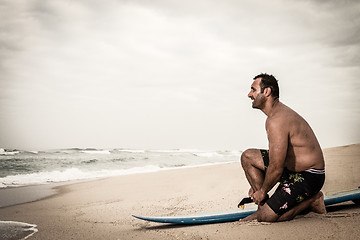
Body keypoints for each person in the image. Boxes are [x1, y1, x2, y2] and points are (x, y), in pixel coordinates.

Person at [240, 73, 326, 222]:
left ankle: (313, 200)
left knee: (267, 217)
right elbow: (276, 161)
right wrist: (257, 187)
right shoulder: (273, 117)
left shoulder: (278, 120)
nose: (249, 94)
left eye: (253, 90)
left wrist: (262, 190)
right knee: (248, 157)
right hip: (291, 169)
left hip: (310, 175)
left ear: (266, 92)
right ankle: (263, 207)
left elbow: (276, 167)